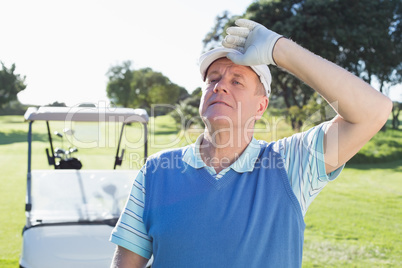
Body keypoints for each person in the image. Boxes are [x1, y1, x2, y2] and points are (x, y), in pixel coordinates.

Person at [109, 19, 392, 267]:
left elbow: (374, 112)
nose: (220, 85)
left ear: (261, 106)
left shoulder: (290, 164)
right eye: (213, 79)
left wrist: (278, 49)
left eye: (237, 81)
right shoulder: (156, 171)